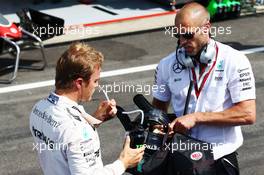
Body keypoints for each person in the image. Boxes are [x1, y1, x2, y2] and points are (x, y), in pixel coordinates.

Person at [152, 2, 256, 174]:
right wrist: (158, 126)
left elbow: (247, 114)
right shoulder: (166, 65)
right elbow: (158, 110)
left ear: (206, 27)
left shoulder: (235, 60)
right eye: (177, 35)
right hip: (181, 156)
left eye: (188, 35)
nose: (182, 42)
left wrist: (197, 117)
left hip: (220, 157)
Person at [29, 42, 144, 175]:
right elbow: (74, 135)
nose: (97, 86)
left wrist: (96, 118)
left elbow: (66, 138)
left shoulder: (39, 108)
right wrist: (123, 162)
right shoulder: (78, 132)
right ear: (79, 83)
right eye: (95, 81)